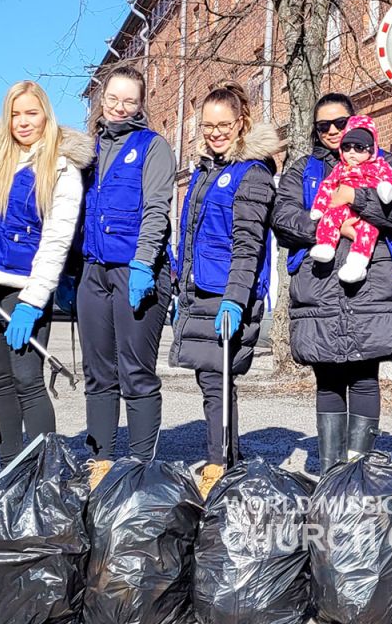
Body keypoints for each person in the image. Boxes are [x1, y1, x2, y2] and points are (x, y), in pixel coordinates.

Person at [271, 95, 392, 472]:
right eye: (325, 126)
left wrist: (357, 198)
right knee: (328, 378)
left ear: (356, 121)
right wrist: (332, 228)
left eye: (341, 123)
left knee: (365, 375)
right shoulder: (304, 168)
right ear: (316, 131)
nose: (334, 132)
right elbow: (284, 218)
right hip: (319, 284)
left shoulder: (386, 163)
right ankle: (332, 470)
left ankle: (360, 470)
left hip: (371, 285)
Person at [0, 80, 92, 465]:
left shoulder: (61, 166)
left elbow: (56, 238)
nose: (23, 121)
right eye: (15, 114)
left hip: (25, 289)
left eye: (31, 112)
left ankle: (43, 471)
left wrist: (33, 301)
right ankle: (10, 469)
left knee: (27, 380)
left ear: (45, 114)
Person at [172, 82, 279, 497]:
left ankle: (218, 465)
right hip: (200, 289)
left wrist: (236, 299)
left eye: (224, 125)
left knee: (218, 379)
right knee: (209, 379)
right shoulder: (205, 170)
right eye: (208, 126)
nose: (215, 133)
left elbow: (247, 243)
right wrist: (183, 289)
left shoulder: (251, 173)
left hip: (226, 292)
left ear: (241, 123)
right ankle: (225, 457)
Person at [75, 65, 176, 463]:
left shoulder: (153, 146)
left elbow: (156, 209)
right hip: (93, 271)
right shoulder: (87, 149)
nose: (119, 107)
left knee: (135, 372)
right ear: (103, 98)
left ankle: (139, 467)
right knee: (98, 375)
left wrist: (143, 263)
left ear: (140, 104)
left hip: (136, 271)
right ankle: (100, 463)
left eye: (129, 100)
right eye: (113, 98)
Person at [306, 116, 392, 283]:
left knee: (368, 232)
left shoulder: (380, 165)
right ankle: (325, 245)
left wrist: (386, 189)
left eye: (359, 148)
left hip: (366, 214)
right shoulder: (340, 168)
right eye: (347, 147)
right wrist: (320, 207)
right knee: (329, 218)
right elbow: (327, 186)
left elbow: (391, 179)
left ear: (371, 149)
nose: (352, 152)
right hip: (341, 208)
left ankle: (357, 265)